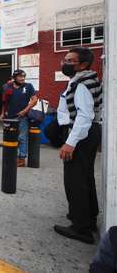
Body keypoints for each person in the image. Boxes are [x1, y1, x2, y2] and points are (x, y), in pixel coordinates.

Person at [53, 47, 102, 245]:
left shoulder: (82, 84)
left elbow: (84, 116)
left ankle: (81, 228)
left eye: (70, 60)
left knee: (75, 180)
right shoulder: (85, 79)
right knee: (85, 176)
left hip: (81, 134)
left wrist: (70, 143)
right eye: (65, 59)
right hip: (86, 133)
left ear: (82, 64)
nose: (65, 63)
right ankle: (88, 218)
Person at [0, 70, 38, 167]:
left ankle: (21, 158)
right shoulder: (7, 87)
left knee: (22, 137)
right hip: (9, 117)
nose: (22, 78)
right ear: (14, 77)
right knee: (10, 137)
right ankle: (12, 156)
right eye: (20, 76)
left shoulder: (28, 86)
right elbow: (5, 102)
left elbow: (34, 100)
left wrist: (25, 111)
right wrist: (2, 113)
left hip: (22, 117)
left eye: (23, 76)